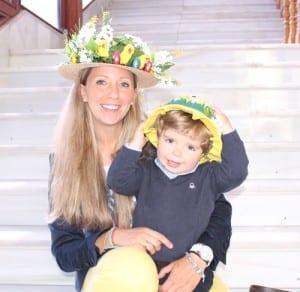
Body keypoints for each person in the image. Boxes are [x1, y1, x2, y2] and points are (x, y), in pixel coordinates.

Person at [48, 11, 234, 292]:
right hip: (116, 278)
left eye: (124, 84)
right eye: (101, 82)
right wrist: (113, 238)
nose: (114, 94)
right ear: (82, 91)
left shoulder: (161, 147)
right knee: (133, 269)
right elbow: (65, 253)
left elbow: (218, 208)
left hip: (171, 270)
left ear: (134, 94)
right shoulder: (64, 161)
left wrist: (198, 258)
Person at [107, 95, 249, 291]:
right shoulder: (146, 170)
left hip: (189, 268)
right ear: (157, 137)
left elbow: (237, 172)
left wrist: (227, 129)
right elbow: (117, 181)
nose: (176, 152)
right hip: (144, 262)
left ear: (204, 152)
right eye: (170, 140)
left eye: (190, 147)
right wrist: (135, 143)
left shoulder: (208, 176)